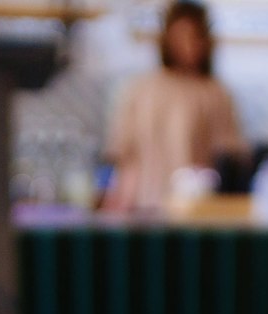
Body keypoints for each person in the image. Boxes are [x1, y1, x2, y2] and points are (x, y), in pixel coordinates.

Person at [101, 2, 249, 214]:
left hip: (195, 210)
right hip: (143, 206)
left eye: (194, 37)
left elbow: (230, 158)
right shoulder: (141, 90)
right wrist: (117, 197)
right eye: (180, 36)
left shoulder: (215, 94)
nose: (188, 45)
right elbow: (124, 153)